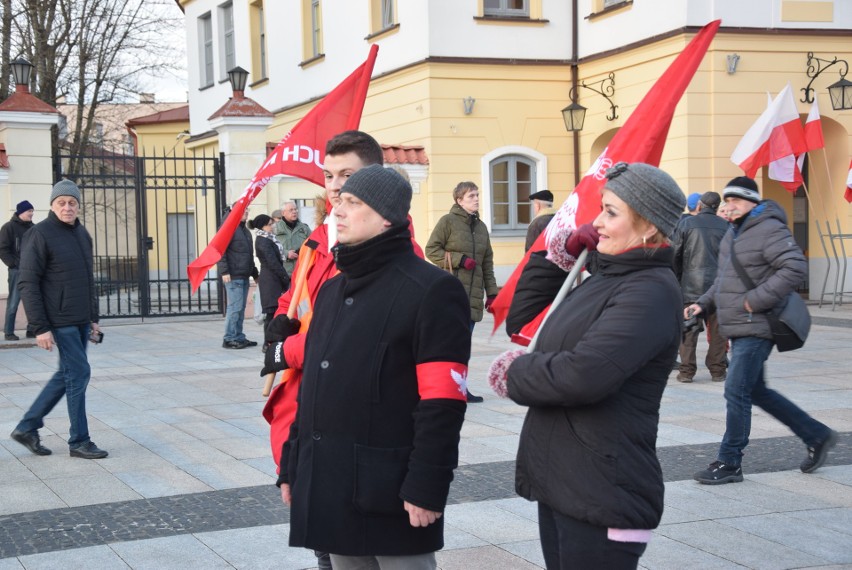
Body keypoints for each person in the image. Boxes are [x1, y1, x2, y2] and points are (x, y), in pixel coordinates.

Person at [263, 164, 470, 569]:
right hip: (332, 480)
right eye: (337, 200)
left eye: (353, 202)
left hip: (389, 488)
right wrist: (292, 462)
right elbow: (314, 389)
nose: (336, 210)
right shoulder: (334, 290)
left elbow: (442, 403)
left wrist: (427, 483)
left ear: (387, 216)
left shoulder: (431, 290)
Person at [498, 162, 686, 568]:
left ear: (650, 227)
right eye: (601, 208)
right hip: (567, 483)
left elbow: (583, 375)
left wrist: (515, 374)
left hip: (605, 492)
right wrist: (561, 254)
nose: (598, 221)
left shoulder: (650, 292)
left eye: (611, 212)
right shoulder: (607, 276)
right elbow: (526, 319)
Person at [262, 130, 391, 570]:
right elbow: (296, 295)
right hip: (304, 405)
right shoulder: (319, 239)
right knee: (325, 540)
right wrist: (278, 323)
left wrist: (286, 350)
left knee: (361, 548)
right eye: (329, 175)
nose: (335, 185)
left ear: (374, 178)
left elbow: (351, 337)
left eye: (347, 175)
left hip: (348, 414)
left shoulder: (385, 247)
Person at [689, 177, 837, 484]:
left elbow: (795, 267)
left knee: (735, 390)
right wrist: (702, 304)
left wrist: (754, 301)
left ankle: (730, 462)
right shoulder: (733, 233)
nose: (729, 206)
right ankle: (817, 434)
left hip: (756, 325)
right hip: (739, 326)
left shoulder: (769, 228)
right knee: (757, 391)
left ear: (752, 203)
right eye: (727, 201)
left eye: (735, 201)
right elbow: (724, 280)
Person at [9, 180, 107, 460]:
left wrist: (93, 318)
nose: (67, 207)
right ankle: (79, 440)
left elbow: (88, 280)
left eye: (72, 202)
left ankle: (27, 427)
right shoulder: (39, 234)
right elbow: (27, 282)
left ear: (78, 205)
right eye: (61, 202)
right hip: (58, 319)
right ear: (52, 205)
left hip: (79, 319)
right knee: (79, 373)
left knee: (67, 375)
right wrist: (40, 327)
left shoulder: (82, 234)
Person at [425, 181, 499, 403]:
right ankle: (444, 388)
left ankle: (460, 388)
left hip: (473, 297)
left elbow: (487, 263)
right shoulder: (447, 222)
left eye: (477, 195)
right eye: (471, 196)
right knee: (451, 343)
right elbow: (432, 250)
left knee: (464, 344)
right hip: (452, 294)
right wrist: (460, 260)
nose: (476, 199)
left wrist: (493, 293)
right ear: (459, 200)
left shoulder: (482, 227)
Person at [672, 191, 729, 383]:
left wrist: (679, 280)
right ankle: (718, 370)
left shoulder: (686, 224)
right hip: (719, 287)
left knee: (688, 329)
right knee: (719, 331)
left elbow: (675, 255)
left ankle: (687, 372)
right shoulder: (726, 226)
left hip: (690, 286)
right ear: (717, 207)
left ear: (700, 206)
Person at [218, 206, 259, 349]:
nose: (246, 213)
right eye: (243, 211)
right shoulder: (229, 228)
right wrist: (224, 272)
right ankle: (229, 338)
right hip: (233, 275)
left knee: (240, 308)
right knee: (234, 308)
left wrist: (255, 273)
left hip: (244, 274)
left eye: (248, 210)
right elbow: (220, 250)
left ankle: (238, 336)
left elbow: (249, 255)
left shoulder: (245, 230)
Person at [249, 214, 289, 348]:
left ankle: (273, 340)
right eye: (270, 224)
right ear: (263, 226)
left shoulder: (269, 238)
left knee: (275, 311)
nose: (272, 226)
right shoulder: (263, 240)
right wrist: (285, 277)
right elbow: (273, 263)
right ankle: (268, 343)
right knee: (271, 312)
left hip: (273, 278)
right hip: (270, 279)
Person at [0, 200, 36, 340]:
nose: (32, 213)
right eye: (29, 211)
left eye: (32, 211)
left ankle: (31, 330)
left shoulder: (33, 228)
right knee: (14, 301)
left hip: (32, 270)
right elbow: (2, 249)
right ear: (21, 212)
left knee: (32, 300)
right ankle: (9, 332)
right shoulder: (8, 227)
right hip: (16, 271)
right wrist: (14, 264)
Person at [273, 200, 311, 276]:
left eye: (295, 209)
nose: (294, 212)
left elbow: (312, 244)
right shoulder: (275, 228)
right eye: (291, 210)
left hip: (301, 271)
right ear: (283, 213)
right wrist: (286, 253)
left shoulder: (304, 228)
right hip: (283, 271)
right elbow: (270, 248)